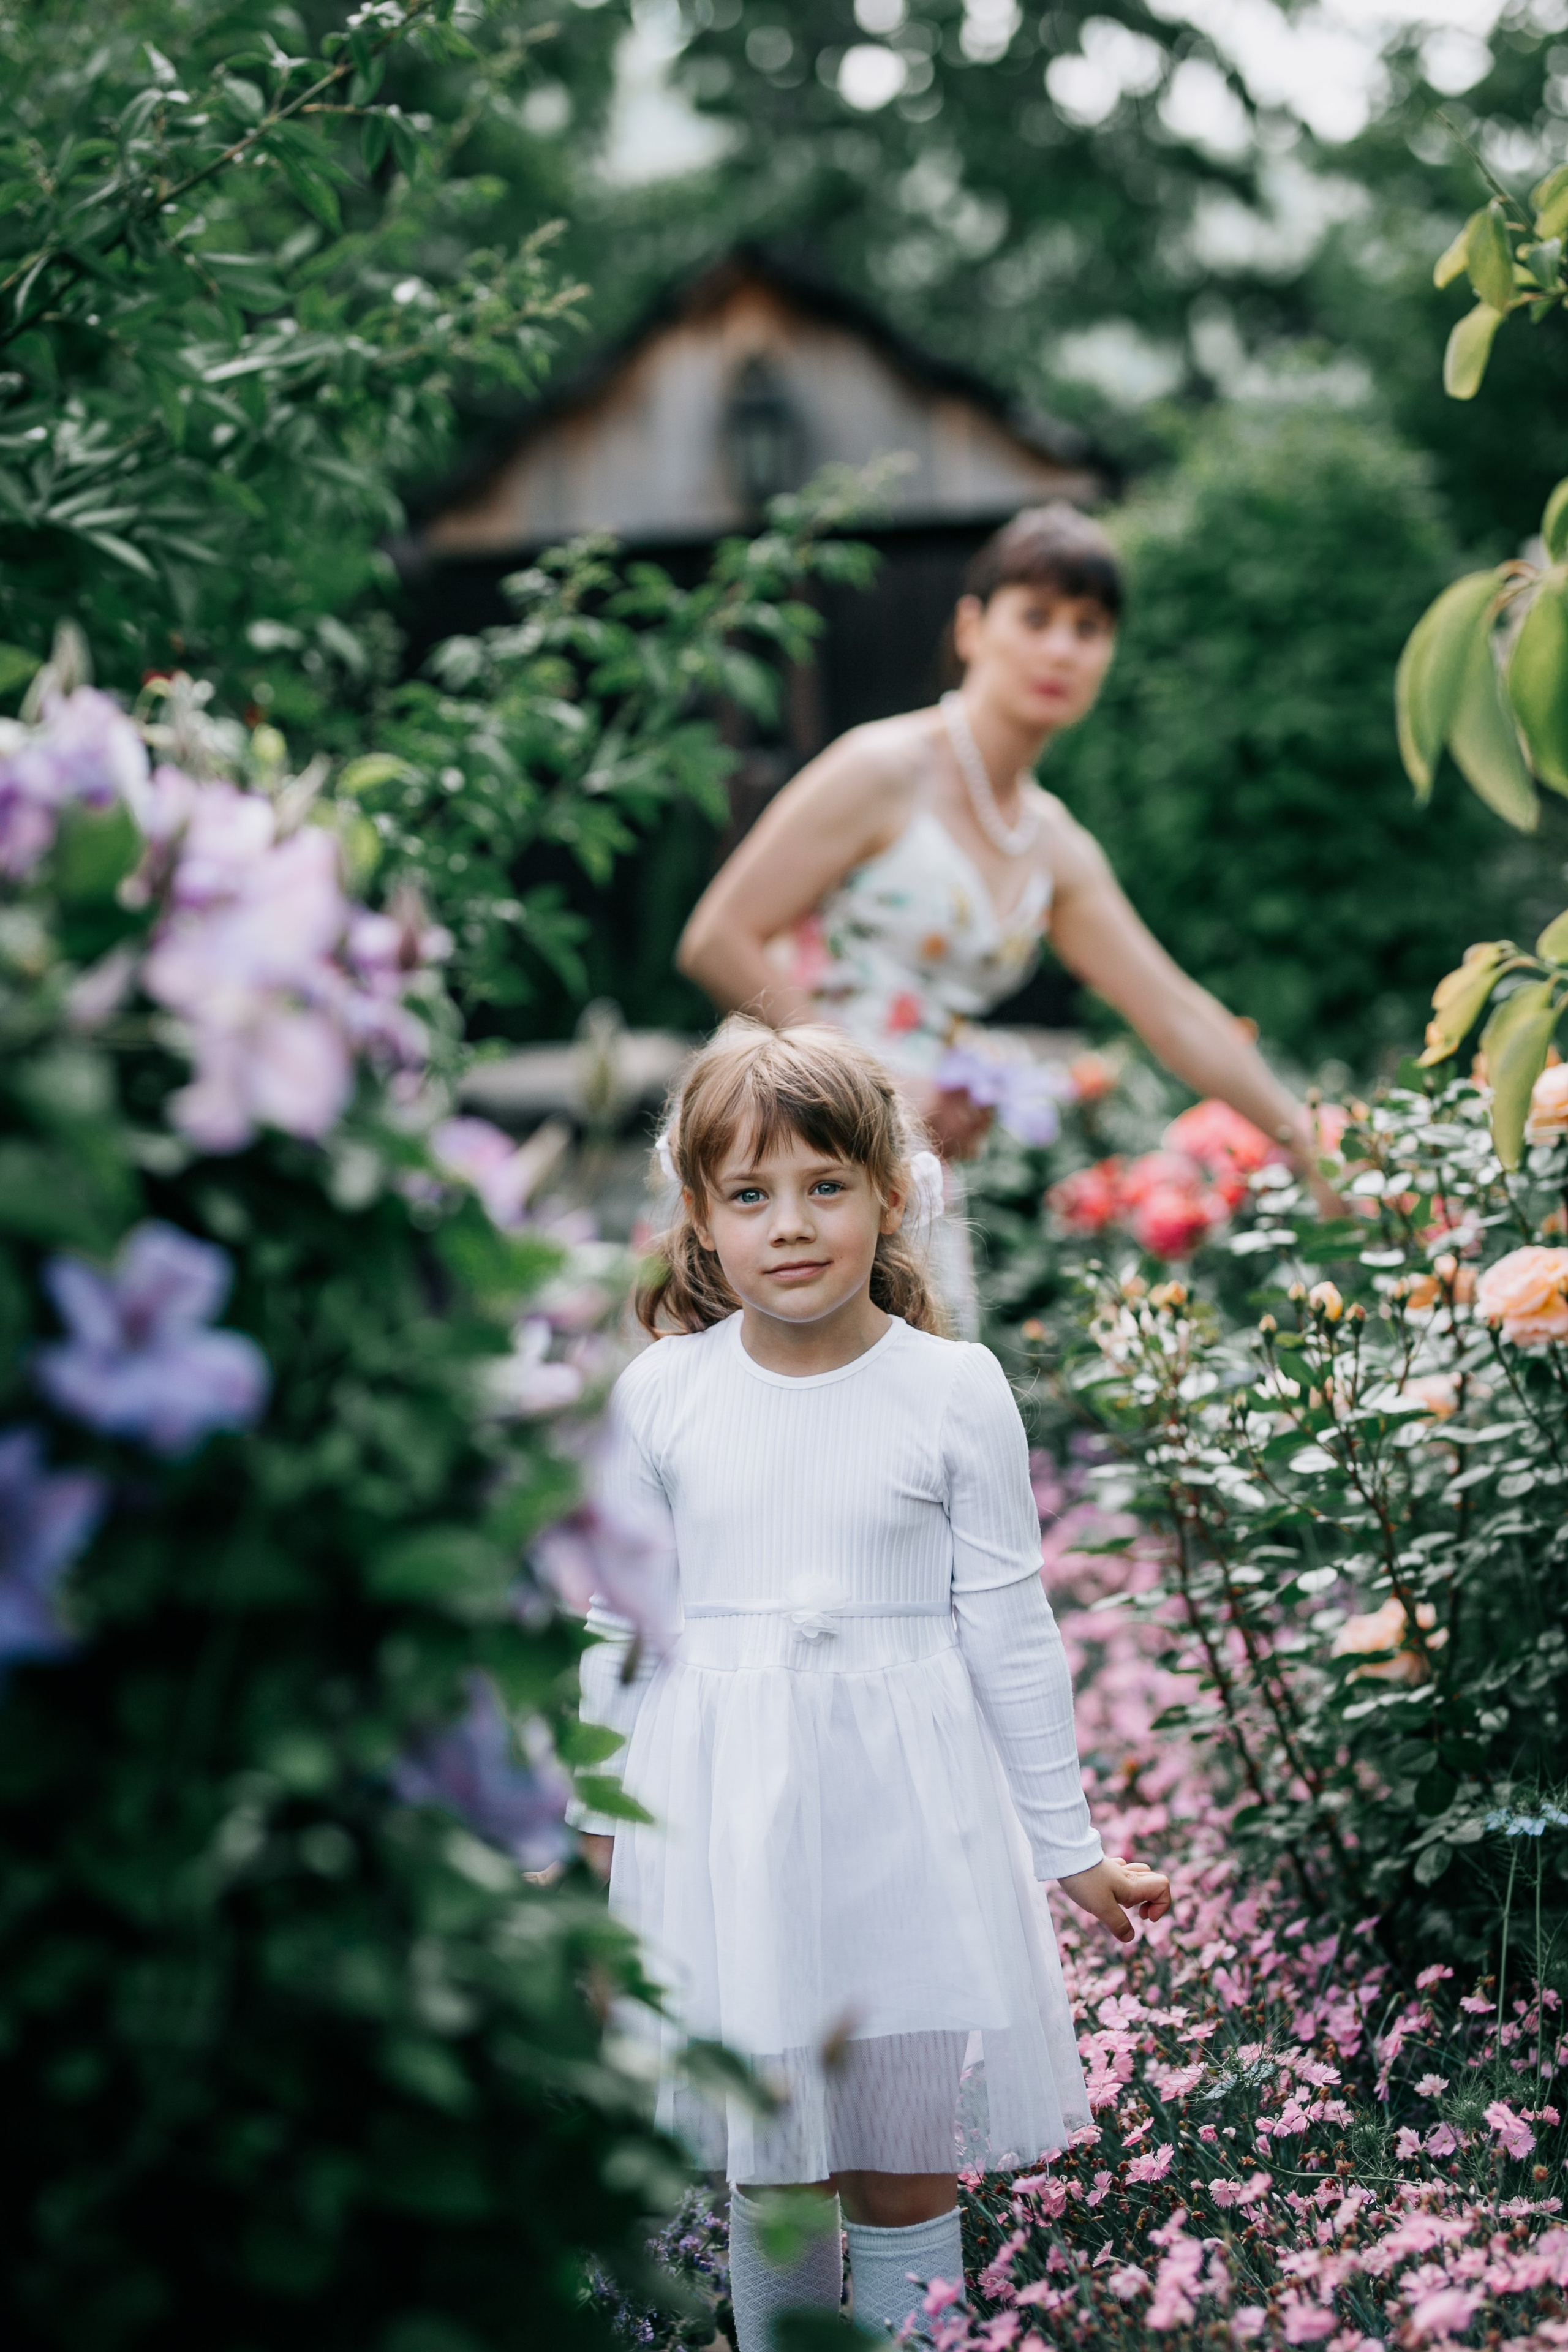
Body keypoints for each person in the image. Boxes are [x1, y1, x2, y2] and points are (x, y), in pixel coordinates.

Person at [572, 1020, 1170, 2350]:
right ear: (700, 1219)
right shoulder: (661, 1397)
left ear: (890, 1195)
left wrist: (1071, 1856)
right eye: (750, 1194)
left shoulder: (950, 1392)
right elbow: (614, 1628)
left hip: (904, 1826)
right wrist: (600, 1850)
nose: (790, 1225)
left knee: (902, 2157)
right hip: (732, 1831)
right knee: (773, 2163)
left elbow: (1011, 1632)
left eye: (824, 1186)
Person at [675, 502, 1335, 1205]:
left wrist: (1309, 1146)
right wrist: (872, 1092)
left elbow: (1174, 1013)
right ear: (971, 627)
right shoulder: (881, 770)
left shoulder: (1053, 847)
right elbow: (716, 940)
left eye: (1089, 628)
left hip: (909, 1175)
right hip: (784, 1150)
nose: (1061, 649)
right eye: (1036, 617)